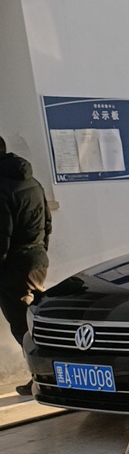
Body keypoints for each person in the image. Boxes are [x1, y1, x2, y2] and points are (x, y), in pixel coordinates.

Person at [0, 135, 51, 396]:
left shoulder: (2, 187)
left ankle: (43, 376)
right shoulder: (33, 182)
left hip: (14, 268)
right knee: (35, 320)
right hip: (36, 260)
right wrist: (39, 253)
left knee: (23, 326)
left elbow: (2, 237)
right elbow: (47, 224)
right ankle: (43, 375)